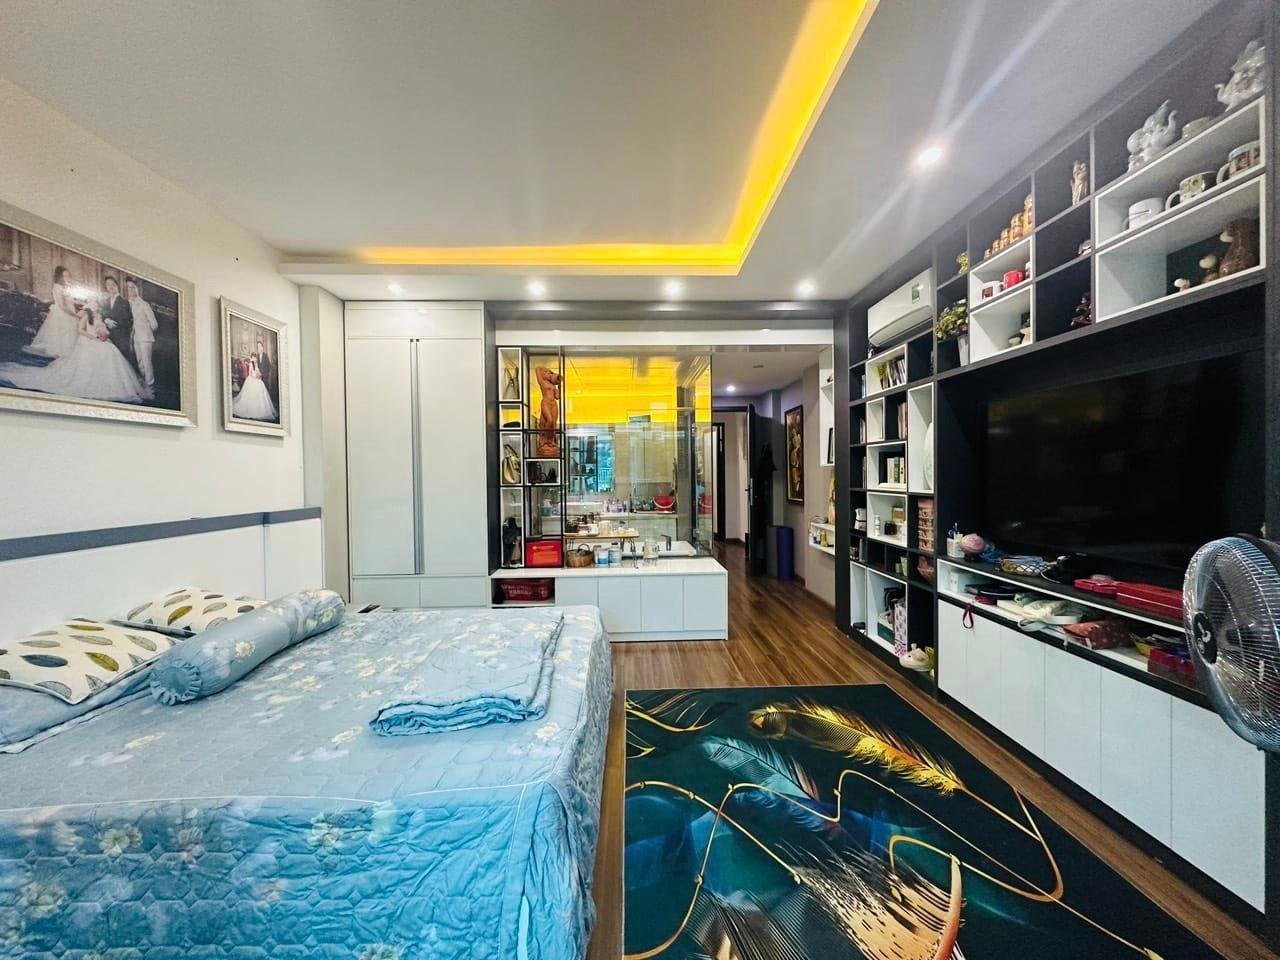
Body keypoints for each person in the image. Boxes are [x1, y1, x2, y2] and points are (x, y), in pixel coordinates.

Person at [0, 305, 144, 402]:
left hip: (99, 341)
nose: (95, 306)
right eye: (93, 303)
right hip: (89, 340)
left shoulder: (101, 317)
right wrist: (93, 337)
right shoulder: (86, 315)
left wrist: (105, 335)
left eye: (96, 304)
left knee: (111, 350)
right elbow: (80, 330)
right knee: (102, 352)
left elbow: (104, 330)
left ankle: (114, 383)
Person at [27, 266, 81, 358]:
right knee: (64, 332)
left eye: (68, 276)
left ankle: (71, 351)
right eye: (64, 276)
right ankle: (63, 351)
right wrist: (75, 315)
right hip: (63, 313)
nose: (67, 278)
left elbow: (70, 299)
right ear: (59, 277)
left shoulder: (66, 287)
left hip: (70, 310)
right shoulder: (57, 288)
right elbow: (62, 306)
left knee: (72, 332)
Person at [124, 278, 158, 399]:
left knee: (147, 363)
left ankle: (150, 388)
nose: (131, 290)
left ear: (137, 289)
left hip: (146, 338)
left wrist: (145, 328)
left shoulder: (144, 304)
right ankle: (144, 385)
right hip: (136, 337)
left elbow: (154, 324)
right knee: (140, 363)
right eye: (128, 288)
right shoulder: (128, 303)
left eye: (133, 287)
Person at [97, 276, 133, 361]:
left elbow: (128, 321)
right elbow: (102, 316)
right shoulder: (104, 302)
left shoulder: (125, 302)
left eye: (113, 284)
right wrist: (106, 320)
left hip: (121, 338)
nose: (111, 287)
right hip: (108, 338)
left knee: (122, 361)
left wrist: (114, 324)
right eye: (108, 285)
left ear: (117, 286)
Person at [232, 356, 277, 421]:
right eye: (254, 359)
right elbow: (250, 374)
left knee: (261, 386)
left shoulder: (256, 365)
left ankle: (261, 407)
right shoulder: (250, 364)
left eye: (256, 360)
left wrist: (259, 375)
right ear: (252, 359)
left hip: (256, 379)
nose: (255, 360)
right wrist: (255, 376)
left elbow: (258, 373)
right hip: (251, 379)